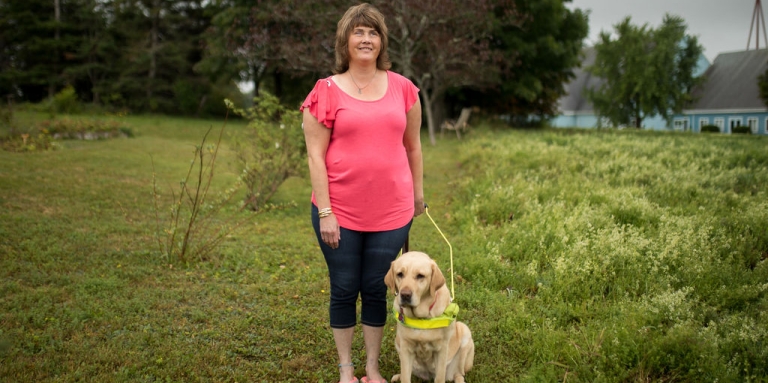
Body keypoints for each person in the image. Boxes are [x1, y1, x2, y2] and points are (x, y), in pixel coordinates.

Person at [300, 3, 425, 383]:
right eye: (359, 32)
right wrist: (326, 212)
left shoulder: (404, 88)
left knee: (375, 287)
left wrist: (418, 195)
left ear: (382, 41)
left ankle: (371, 368)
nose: (366, 39)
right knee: (344, 287)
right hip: (339, 212)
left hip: (392, 212)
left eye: (373, 32)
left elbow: (414, 146)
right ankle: (346, 370)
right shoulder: (325, 91)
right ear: (345, 41)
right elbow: (315, 157)